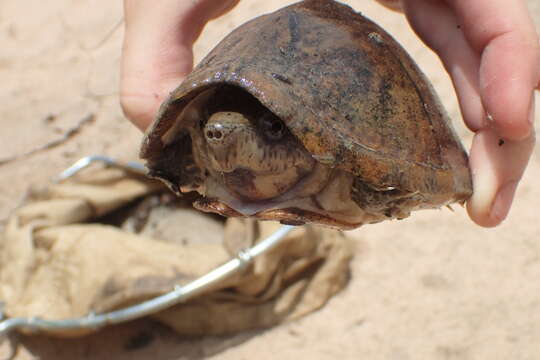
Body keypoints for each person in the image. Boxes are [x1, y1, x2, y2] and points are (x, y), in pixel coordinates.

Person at [120, 0, 539, 228]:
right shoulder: (196, 154)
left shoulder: (360, 177)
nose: (226, 142)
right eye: (213, 134)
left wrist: (406, 176)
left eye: (271, 131)